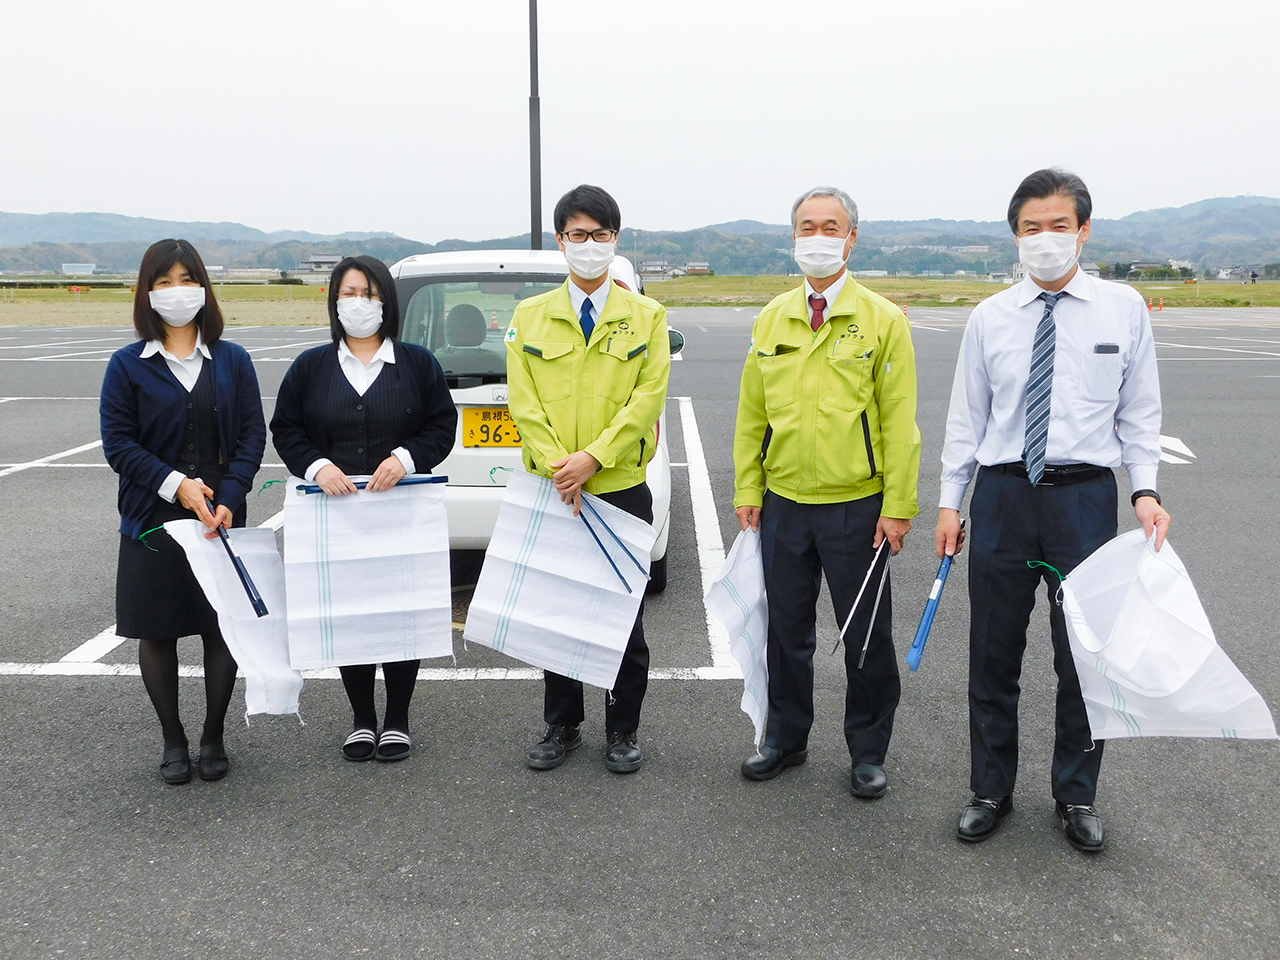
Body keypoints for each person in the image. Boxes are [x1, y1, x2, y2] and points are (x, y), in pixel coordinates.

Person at [937, 168, 1171, 852]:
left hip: (1084, 500)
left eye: (1058, 226)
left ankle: (1077, 795)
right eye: (1031, 228)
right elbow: (965, 421)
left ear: (1084, 230)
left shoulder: (1122, 309)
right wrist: (951, 503)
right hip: (1005, 494)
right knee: (993, 655)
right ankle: (990, 789)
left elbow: (1141, 411)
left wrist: (1146, 491)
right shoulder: (990, 318)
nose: (1045, 240)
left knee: (1084, 659)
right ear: (1016, 235)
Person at [732, 187, 921, 798]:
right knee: (785, 632)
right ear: (794, 237)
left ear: (852, 237)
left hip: (856, 505)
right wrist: (747, 486)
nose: (818, 237)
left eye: (830, 226)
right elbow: (750, 415)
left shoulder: (882, 320)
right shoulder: (773, 318)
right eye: (807, 227)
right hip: (784, 501)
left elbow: (900, 421)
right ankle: (785, 739)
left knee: (865, 633)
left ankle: (868, 751)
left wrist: (898, 506)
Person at [505, 184, 670, 774]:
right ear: (560, 241)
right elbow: (523, 404)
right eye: (579, 235)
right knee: (558, 611)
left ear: (615, 240)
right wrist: (561, 465)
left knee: (624, 617)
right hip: (553, 488)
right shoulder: (530, 316)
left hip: (618, 485)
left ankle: (622, 729)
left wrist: (593, 459)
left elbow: (646, 401)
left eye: (601, 235)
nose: (590, 245)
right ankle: (561, 725)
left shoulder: (646, 316)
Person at [271, 255, 456, 762]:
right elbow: (285, 429)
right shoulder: (310, 367)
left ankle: (396, 719)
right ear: (334, 301)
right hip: (336, 517)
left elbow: (442, 427)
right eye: (350, 292)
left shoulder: (418, 364)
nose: (360, 303)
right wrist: (315, 466)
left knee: (402, 611)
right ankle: (361, 718)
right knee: (347, 610)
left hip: (401, 513)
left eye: (371, 294)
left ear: (387, 303)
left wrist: (404, 457)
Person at [100, 239, 266, 785]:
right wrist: (179, 486)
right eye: (164, 281)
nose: (176, 291)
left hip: (221, 515)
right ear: (147, 292)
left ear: (204, 287)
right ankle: (173, 739)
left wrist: (228, 496)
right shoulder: (127, 365)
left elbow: (249, 438)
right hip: (152, 519)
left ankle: (214, 735)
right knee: (159, 630)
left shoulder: (233, 360)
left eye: (185, 279)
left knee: (221, 627)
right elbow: (119, 445)